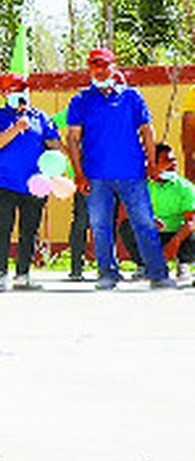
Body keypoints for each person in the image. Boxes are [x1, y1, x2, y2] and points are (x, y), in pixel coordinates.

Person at [66, 48, 171, 288]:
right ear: (89, 68)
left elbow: (147, 130)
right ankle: (107, 273)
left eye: (104, 65)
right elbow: (73, 138)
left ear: (114, 67)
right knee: (100, 226)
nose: (100, 70)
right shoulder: (80, 100)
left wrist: (152, 163)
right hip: (95, 175)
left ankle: (158, 274)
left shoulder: (132, 97)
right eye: (94, 65)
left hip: (132, 173)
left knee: (144, 222)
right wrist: (79, 173)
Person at [0, 73, 60, 291]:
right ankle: (0, 274)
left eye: (23, 89)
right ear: (5, 94)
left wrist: (57, 156)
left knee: (30, 229)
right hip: (4, 181)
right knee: (3, 228)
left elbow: (54, 144)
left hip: (35, 183)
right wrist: (16, 128)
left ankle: (23, 274)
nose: (21, 94)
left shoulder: (41, 117)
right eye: (14, 89)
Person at [144, 144, 195, 278]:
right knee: (127, 228)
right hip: (154, 232)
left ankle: (183, 263)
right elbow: (130, 213)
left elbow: (191, 221)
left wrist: (175, 242)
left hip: (178, 233)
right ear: (153, 164)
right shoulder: (143, 187)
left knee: (192, 232)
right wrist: (149, 220)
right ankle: (144, 265)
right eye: (167, 161)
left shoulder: (185, 187)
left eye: (174, 160)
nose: (173, 165)